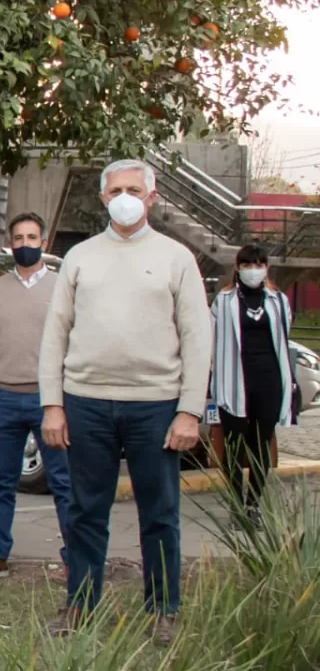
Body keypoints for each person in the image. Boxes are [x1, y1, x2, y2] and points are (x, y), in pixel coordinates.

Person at [40, 159, 211, 642]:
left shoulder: (178, 258)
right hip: (86, 402)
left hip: (155, 406)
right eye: (115, 189)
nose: (125, 196)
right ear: (102, 198)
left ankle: (163, 610)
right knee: (84, 510)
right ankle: (80, 603)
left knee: (159, 513)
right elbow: (55, 333)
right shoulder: (79, 257)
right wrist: (53, 404)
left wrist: (189, 410)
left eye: (134, 188)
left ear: (152, 196)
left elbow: (197, 338)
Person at [0, 213, 72, 579]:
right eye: (19, 237)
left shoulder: (62, 287)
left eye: (32, 237)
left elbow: (72, 339)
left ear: (43, 241)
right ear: (10, 243)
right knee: (4, 479)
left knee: (61, 481)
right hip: (5, 397)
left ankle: (74, 554)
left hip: (49, 400)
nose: (25, 243)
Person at [211, 242, 294, 523]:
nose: (252, 270)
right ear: (237, 268)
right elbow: (213, 338)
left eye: (258, 265)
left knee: (261, 444)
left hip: (268, 379)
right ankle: (236, 504)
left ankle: (253, 504)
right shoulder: (223, 301)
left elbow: (284, 333)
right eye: (247, 265)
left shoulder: (278, 300)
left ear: (266, 268)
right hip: (234, 379)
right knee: (233, 445)